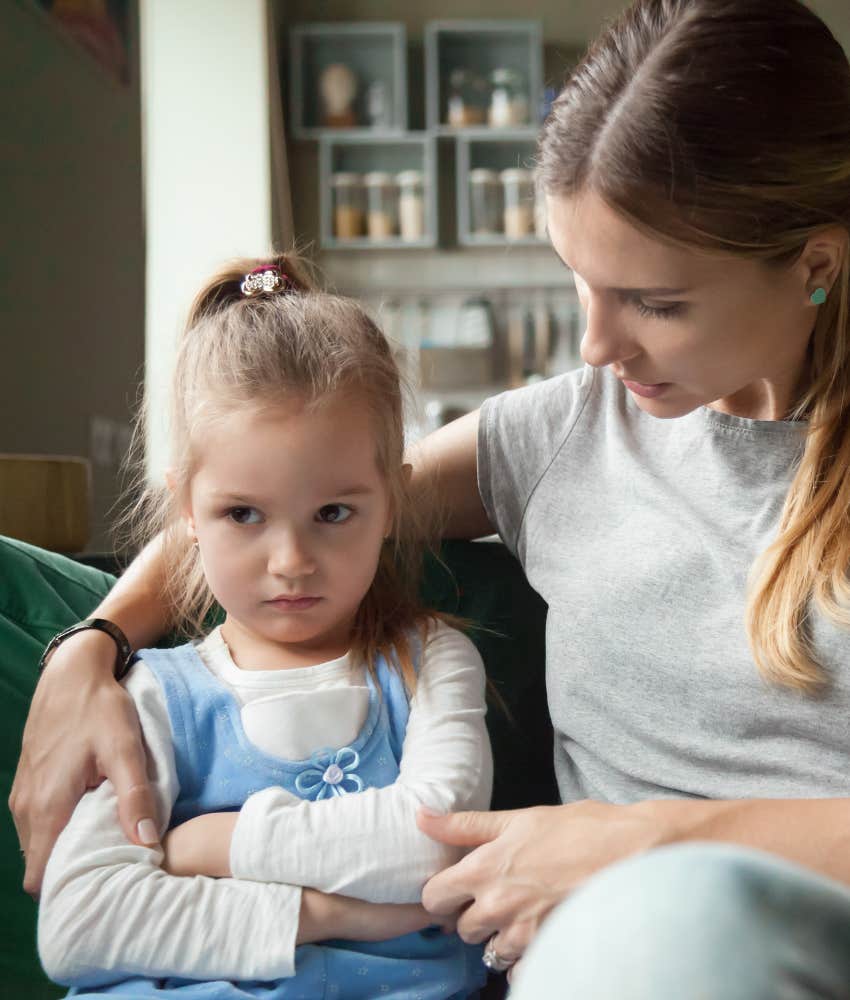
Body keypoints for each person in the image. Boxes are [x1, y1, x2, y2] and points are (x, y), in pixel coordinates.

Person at [11, 0, 850, 994]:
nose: (595, 347)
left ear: (815, 264)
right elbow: (291, 501)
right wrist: (90, 649)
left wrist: (641, 844)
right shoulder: (565, 434)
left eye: (655, 304)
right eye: (580, 282)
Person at [35, 255, 492, 999]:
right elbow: (78, 924)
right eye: (243, 514)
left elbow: (435, 841)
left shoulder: (432, 661)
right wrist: (325, 913)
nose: (291, 562)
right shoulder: (152, 694)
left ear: (392, 507)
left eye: (334, 514)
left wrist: (218, 844)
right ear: (187, 510)